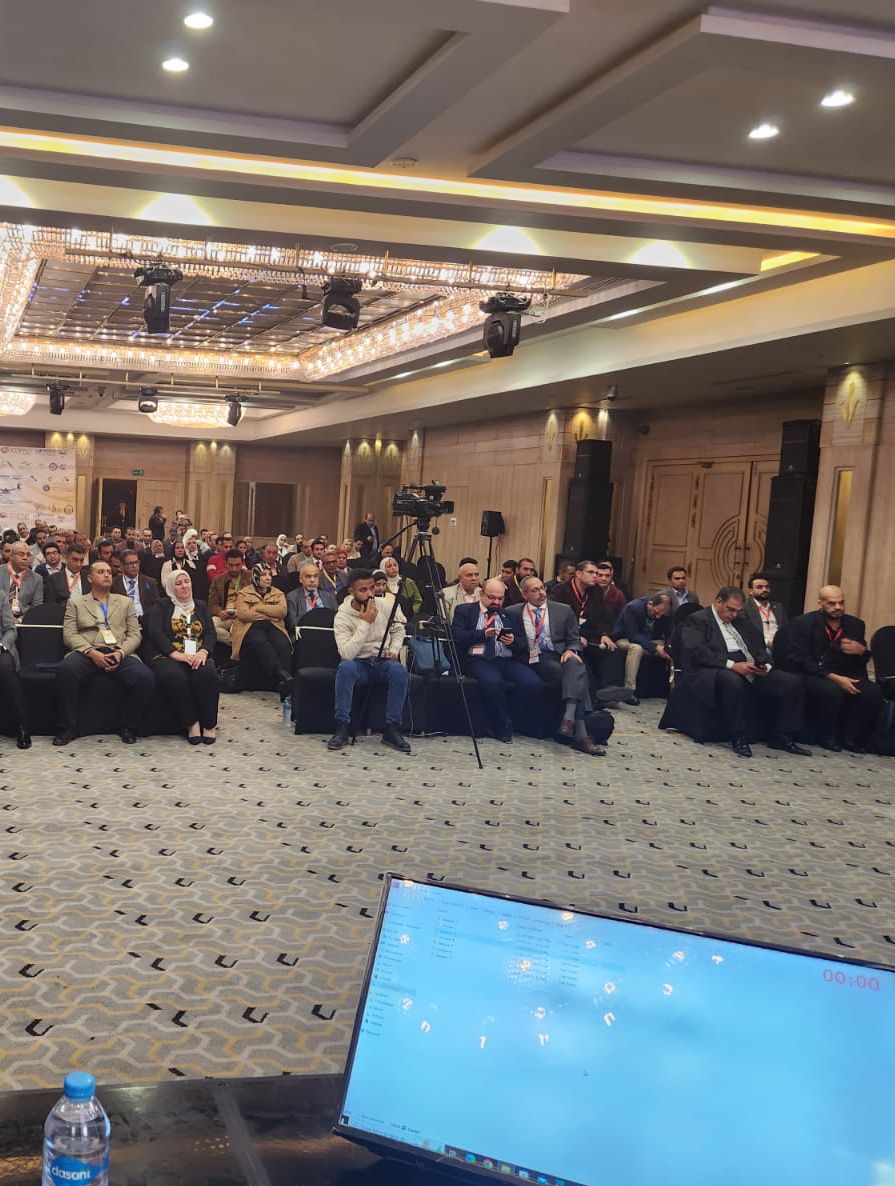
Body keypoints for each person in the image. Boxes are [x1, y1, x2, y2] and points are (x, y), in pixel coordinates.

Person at [677, 587, 810, 759]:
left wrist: (765, 665)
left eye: (737, 611)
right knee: (733, 681)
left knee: (792, 682)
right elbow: (697, 651)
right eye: (730, 609)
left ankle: (782, 735)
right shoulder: (698, 619)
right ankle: (738, 735)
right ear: (718, 601)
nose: (733, 615)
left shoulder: (741, 622)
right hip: (714, 667)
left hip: (749, 664)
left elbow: (758, 646)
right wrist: (732, 665)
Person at [54, 559, 155, 745]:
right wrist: (91, 652)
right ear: (90, 578)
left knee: (145, 677)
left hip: (118, 651)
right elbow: (69, 635)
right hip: (87, 652)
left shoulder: (125, 602)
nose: (107, 575)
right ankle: (67, 727)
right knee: (66, 670)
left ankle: (128, 726)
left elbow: (135, 635)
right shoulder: (76, 602)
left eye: (109, 572)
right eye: (101, 572)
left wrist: (121, 653)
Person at [504, 576, 603, 756]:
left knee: (576, 664)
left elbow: (574, 639)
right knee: (576, 674)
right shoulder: (512, 612)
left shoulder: (563, 610)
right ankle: (580, 734)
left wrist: (571, 650)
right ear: (524, 594)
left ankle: (568, 721)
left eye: (542, 588)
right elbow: (510, 641)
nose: (541, 593)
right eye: (535, 590)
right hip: (533, 658)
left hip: (559, 654)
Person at [780, 585, 883, 753]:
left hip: (845, 671)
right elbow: (800, 659)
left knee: (873, 691)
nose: (838, 607)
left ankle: (850, 737)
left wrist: (862, 651)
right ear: (820, 603)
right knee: (831, 690)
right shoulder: (803, 623)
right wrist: (835, 678)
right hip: (813, 672)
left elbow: (861, 660)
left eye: (841, 603)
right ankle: (827, 735)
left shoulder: (855, 624)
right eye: (832, 603)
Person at [327, 569, 410, 754]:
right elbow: (347, 654)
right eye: (363, 590)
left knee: (399, 671)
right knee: (345, 668)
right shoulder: (342, 616)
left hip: (382, 662)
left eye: (372, 588)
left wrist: (394, 649)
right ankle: (342, 727)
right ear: (352, 592)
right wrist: (365, 623)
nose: (370, 594)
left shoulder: (385, 605)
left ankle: (392, 728)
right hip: (358, 663)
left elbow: (399, 629)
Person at [453, 578, 543, 742]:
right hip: (477, 659)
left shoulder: (509, 614)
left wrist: (513, 641)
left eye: (500, 598)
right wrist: (482, 634)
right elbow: (457, 637)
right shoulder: (465, 610)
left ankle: (508, 718)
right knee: (493, 681)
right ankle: (502, 724)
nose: (496, 602)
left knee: (533, 683)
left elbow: (523, 643)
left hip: (505, 658)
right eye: (491, 597)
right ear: (481, 594)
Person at [146, 570, 219, 744]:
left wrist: (203, 652)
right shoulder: (161, 606)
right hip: (168, 655)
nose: (184, 586)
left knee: (208, 674)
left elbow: (211, 633)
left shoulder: (200, 605)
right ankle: (191, 723)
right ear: (171, 588)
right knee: (174, 676)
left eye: (187, 581)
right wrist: (176, 654)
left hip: (197, 654)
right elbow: (156, 633)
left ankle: (209, 724)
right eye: (178, 584)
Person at [550, 560, 633, 702]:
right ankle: (595, 699)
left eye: (596, 573)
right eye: (591, 572)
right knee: (584, 660)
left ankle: (610, 688)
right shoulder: (560, 590)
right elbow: (556, 619)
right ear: (578, 574)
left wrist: (604, 635)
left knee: (611, 650)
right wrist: (575, 637)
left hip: (589, 633)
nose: (595, 576)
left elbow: (602, 616)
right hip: (567, 636)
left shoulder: (596, 591)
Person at [230, 563, 293, 696]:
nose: (268, 578)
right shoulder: (244, 593)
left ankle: (283, 683)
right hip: (250, 627)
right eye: (263, 575)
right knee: (260, 643)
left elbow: (282, 611)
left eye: (270, 574)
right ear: (256, 576)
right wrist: (270, 615)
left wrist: (258, 607)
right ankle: (281, 674)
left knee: (283, 644)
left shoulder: (278, 593)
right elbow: (244, 614)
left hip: (273, 626)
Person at [611, 591, 673, 703]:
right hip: (625, 638)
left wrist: (668, 648)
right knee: (636, 649)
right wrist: (655, 648)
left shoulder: (664, 612)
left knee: (671, 649)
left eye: (662, 615)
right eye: (656, 612)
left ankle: (673, 689)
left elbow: (669, 633)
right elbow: (633, 635)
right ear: (650, 604)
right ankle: (629, 690)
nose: (658, 617)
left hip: (650, 639)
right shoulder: (633, 608)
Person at [0, 595, 30, 748]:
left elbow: (11, 630)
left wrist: (1, 646)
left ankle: (21, 726)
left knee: (5, 666)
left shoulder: (1, 596)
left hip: (1, 648)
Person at [208, 549, 248, 646]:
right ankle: (234, 642)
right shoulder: (218, 580)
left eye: (237, 565)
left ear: (242, 563)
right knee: (210, 625)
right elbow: (212, 603)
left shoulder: (250, 577)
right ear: (225, 564)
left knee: (238, 629)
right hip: (225, 615)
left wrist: (243, 612)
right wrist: (219, 612)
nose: (234, 569)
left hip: (244, 615)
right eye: (231, 565)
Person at [286, 562, 338, 635]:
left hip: (328, 632)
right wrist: (313, 619)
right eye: (308, 576)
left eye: (315, 576)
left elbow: (338, 618)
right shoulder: (292, 597)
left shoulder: (328, 596)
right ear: (300, 579)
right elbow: (292, 623)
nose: (312, 580)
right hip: (305, 634)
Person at [112, 550, 161, 625]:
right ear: (122, 566)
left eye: (136, 562)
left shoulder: (150, 582)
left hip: (146, 622)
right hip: (123, 622)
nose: (134, 566)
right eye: (130, 563)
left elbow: (156, 605)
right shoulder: (114, 584)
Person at [740, 572, 788, 648]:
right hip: (759, 646)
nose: (764, 589)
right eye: (759, 587)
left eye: (767, 587)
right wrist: (766, 643)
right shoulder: (744, 607)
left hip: (779, 645)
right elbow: (745, 632)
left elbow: (786, 628)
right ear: (751, 591)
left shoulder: (778, 607)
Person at [0, 541, 44, 620]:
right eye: (21, 554)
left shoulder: (36, 579)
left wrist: (21, 620)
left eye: (28, 555)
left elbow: (37, 607)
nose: (25, 558)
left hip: (23, 622)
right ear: (11, 556)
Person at [382, 555, 422, 620]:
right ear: (383, 569)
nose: (393, 568)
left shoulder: (409, 582)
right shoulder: (381, 585)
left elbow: (418, 601)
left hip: (410, 617)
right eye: (389, 566)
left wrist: (410, 612)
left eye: (395, 565)